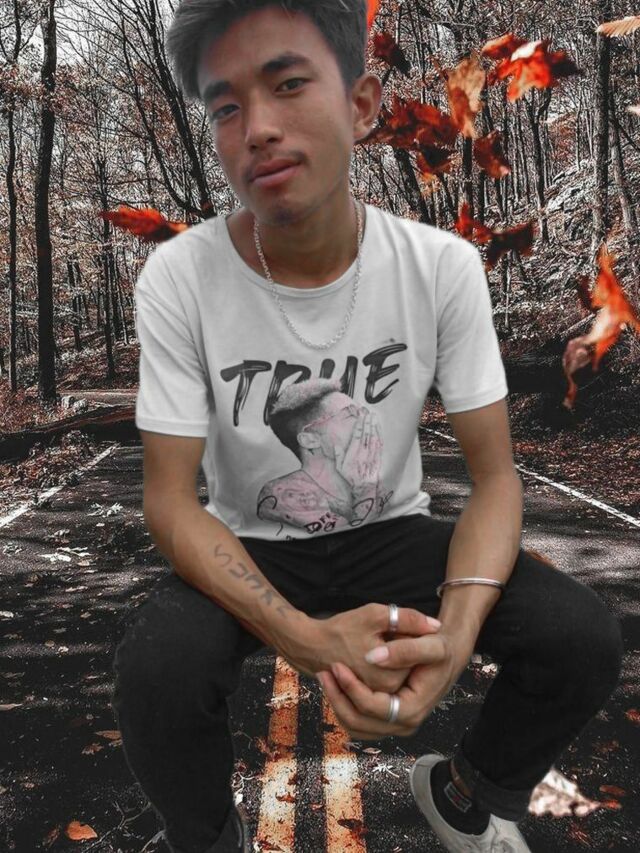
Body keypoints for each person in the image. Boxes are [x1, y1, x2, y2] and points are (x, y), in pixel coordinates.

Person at [110, 2, 624, 852]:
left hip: (393, 533)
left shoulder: (440, 267)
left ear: (361, 105)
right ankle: (207, 839)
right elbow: (169, 500)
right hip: (254, 541)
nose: (257, 127)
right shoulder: (180, 278)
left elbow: (496, 478)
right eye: (226, 106)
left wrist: (454, 643)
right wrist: (305, 639)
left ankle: (469, 793)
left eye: (287, 84)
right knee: (156, 667)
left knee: (580, 636)